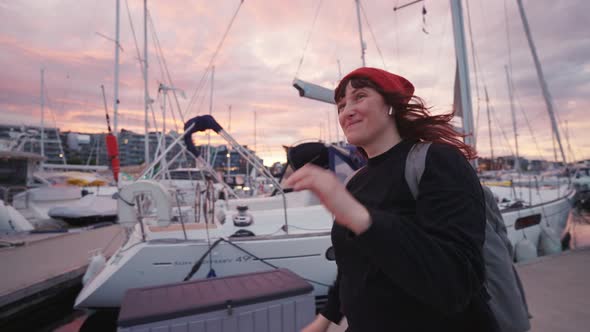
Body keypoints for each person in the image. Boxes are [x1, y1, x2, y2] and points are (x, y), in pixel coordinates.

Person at [285, 67, 498, 331]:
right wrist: (325, 319)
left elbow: (455, 282)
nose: (346, 111)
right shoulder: (356, 182)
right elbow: (355, 266)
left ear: (391, 106)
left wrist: (360, 218)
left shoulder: (437, 160)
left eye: (359, 96)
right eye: (341, 105)